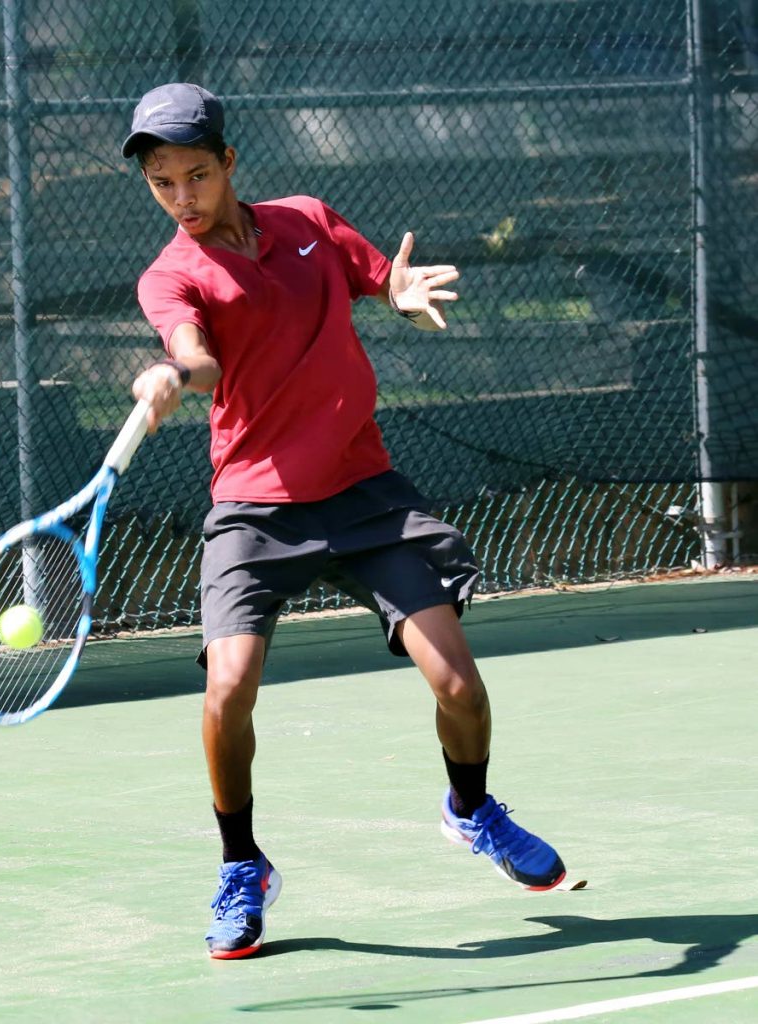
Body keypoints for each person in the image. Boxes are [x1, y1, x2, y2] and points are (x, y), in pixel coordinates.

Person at [121, 82, 567, 960]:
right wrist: (175, 373)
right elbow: (194, 349)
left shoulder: (306, 221)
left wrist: (397, 291)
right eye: (163, 183)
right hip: (254, 506)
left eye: (197, 175)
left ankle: (471, 809)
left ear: (230, 164)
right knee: (227, 689)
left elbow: (378, 277)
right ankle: (242, 864)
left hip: (365, 495)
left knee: (461, 690)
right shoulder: (171, 274)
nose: (183, 197)